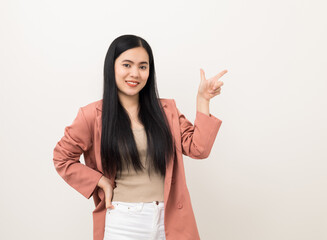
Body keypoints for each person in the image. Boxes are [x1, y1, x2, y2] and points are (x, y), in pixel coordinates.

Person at [53, 34, 227, 240]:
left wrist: (203, 100)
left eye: (143, 67)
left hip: (169, 220)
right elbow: (62, 158)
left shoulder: (166, 110)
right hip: (123, 222)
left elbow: (199, 149)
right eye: (127, 65)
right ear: (112, 67)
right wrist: (100, 181)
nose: (135, 73)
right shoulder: (91, 115)